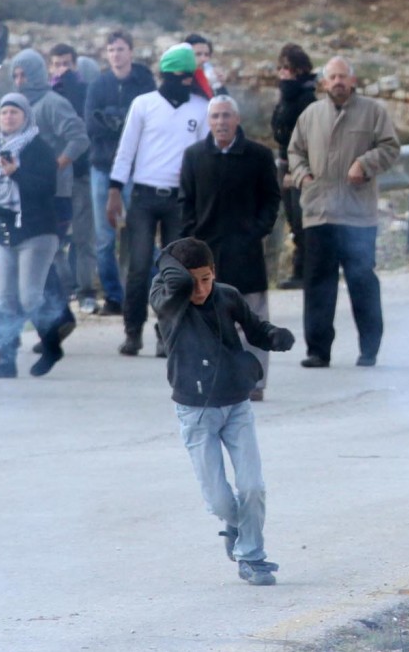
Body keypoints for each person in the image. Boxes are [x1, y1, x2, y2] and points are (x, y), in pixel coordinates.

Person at [149, 237, 295, 586]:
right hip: (195, 412)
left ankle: (252, 557)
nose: (199, 289)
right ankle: (236, 528)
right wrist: (169, 257)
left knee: (253, 487)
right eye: (191, 279)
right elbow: (182, 283)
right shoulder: (168, 301)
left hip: (236, 406)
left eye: (206, 278)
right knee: (219, 502)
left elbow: (256, 328)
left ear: (214, 272)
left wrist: (275, 336)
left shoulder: (227, 295)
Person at [287, 56, 400, 368]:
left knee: (362, 281)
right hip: (319, 212)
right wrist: (303, 177)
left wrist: (365, 164)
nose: (337, 82)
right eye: (332, 77)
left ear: (353, 80)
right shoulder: (311, 115)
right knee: (318, 284)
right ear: (324, 82)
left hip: (357, 214)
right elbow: (294, 151)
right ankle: (318, 351)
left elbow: (391, 148)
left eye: (342, 76)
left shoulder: (373, 112)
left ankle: (369, 349)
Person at [107, 43, 210, 356]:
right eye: (181, 75)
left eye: (191, 75)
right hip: (144, 196)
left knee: (175, 270)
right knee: (138, 267)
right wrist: (114, 190)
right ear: (167, 75)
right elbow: (126, 150)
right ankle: (132, 331)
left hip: (180, 200)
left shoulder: (200, 108)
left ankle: (168, 332)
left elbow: (204, 157)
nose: (187, 81)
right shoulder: (144, 104)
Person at [180, 95, 281, 401]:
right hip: (206, 255)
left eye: (226, 116)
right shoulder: (194, 156)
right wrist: (189, 245)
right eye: (215, 117)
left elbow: (271, 200)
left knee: (251, 319)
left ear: (237, 120)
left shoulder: (259, 156)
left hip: (246, 252)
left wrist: (256, 232)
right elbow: (186, 204)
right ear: (208, 123)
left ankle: (254, 383)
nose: (221, 122)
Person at [0, 93, 61, 378]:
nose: (8, 117)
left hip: (36, 231)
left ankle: (51, 347)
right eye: (4, 113)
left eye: (14, 112)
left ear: (26, 116)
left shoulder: (38, 148)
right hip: (5, 231)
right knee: (3, 299)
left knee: (30, 297)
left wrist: (16, 173)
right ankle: (5, 362)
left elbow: (46, 190)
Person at [11, 48, 90, 357]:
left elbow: (79, 137)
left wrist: (58, 163)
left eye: (24, 74)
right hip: (27, 194)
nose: (19, 81)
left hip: (55, 194)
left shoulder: (52, 103)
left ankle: (59, 319)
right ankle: (51, 322)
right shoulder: (18, 106)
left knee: (43, 259)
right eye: (15, 75)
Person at [85, 30, 157, 316]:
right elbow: (91, 124)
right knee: (104, 238)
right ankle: (113, 297)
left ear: (131, 51)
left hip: (136, 169)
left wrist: (116, 121)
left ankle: (159, 290)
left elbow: (149, 121)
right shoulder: (98, 85)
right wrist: (120, 124)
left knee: (143, 232)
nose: (116, 54)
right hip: (102, 167)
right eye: (112, 49)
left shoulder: (144, 83)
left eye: (121, 49)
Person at [50, 43, 99, 314]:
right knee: (54, 238)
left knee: (83, 237)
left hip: (80, 174)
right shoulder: (45, 93)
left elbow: (85, 128)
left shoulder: (85, 91)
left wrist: (71, 87)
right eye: (57, 64)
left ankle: (86, 291)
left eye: (66, 64)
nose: (62, 70)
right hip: (54, 177)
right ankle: (64, 287)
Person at [270, 44, 317, 290]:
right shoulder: (286, 95)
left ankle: (306, 271)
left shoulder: (307, 98)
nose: (282, 73)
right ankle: (301, 271)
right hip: (284, 162)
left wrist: (295, 170)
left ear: (299, 69)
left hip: (300, 166)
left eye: (287, 68)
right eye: (280, 68)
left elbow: (307, 138)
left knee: (302, 221)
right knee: (293, 220)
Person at [184, 32, 228, 97]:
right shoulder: (180, 79)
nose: (203, 59)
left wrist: (220, 87)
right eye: (198, 54)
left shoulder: (207, 77)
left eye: (206, 55)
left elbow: (223, 104)